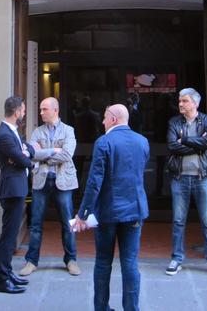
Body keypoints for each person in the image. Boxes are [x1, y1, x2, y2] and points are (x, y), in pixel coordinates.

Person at [73, 104, 150, 311]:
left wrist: (83, 213)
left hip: (108, 212)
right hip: (134, 210)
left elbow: (94, 181)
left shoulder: (104, 142)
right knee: (130, 263)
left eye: (105, 118)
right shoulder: (142, 142)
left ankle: (101, 307)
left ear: (114, 119)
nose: (103, 121)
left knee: (103, 262)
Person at [19, 97, 81, 276]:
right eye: (40, 109)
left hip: (64, 181)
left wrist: (43, 154)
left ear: (55, 110)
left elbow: (67, 155)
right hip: (41, 181)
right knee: (36, 223)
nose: (40, 113)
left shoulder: (69, 131)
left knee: (68, 223)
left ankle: (71, 260)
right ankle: (31, 261)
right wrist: (55, 150)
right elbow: (31, 154)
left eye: (44, 109)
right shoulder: (37, 131)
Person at [165, 88, 207, 278]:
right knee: (178, 220)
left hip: (202, 178)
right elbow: (173, 145)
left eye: (185, 101)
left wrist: (186, 140)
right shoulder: (174, 122)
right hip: (180, 178)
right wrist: (196, 144)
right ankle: (177, 258)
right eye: (180, 101)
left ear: (195, 103)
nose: (181, 104)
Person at [0, 95, 35, 294]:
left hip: (18, 188)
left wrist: (24, 154)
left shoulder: (13, 132)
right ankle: (1, 280)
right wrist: (24, 157)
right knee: (8, 237)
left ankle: (8, 273)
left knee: (10, 235)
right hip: (12, 190)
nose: (24, 113)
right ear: (17, 111)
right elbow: (24, 159)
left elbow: (28, 151)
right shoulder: (4, 135)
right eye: (23, 110)